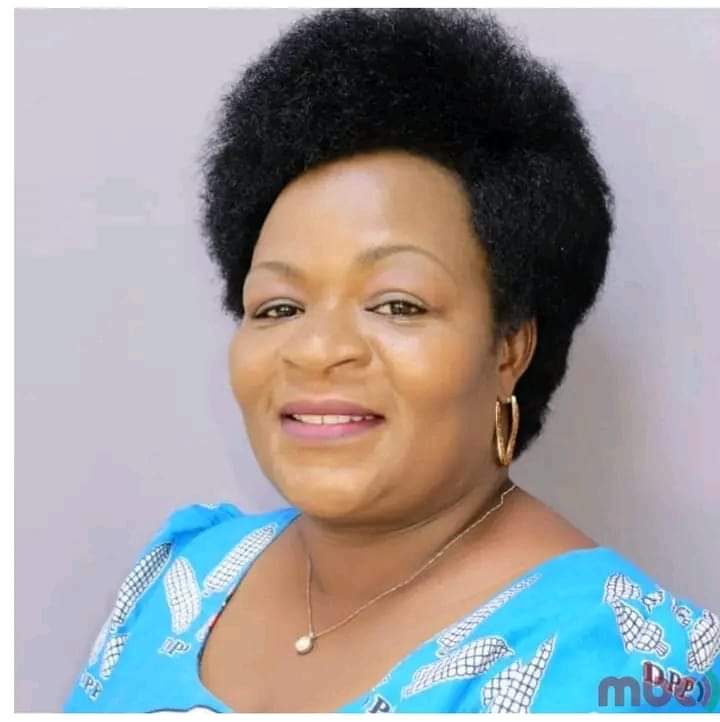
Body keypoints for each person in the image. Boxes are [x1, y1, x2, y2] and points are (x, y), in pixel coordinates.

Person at [63, 8, 719, 714]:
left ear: (509, 349)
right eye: (278, 307)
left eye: (397, 304)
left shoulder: (620, 667)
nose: (317, 349)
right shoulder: (181, 575)